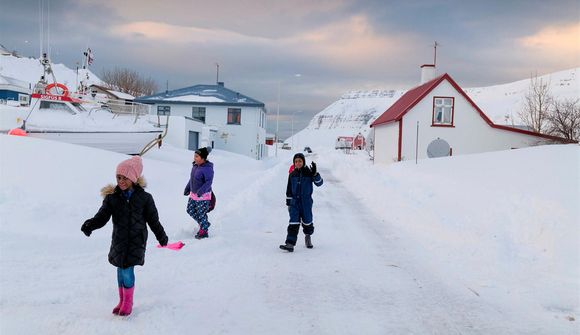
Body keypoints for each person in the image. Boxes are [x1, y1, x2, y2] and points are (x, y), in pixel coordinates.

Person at [81, 156, 168, 316]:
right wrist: (90, 225)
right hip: (119, 241)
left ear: (134, 178)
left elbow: (153, 220)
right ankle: (122, 300)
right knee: (120, 270)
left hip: (136, 241)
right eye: (118, 177)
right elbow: (102, 217)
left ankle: (128, 302)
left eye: (125, 178)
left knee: (127, 270)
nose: (121, 181)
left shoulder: (145, 198)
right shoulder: (112, 198)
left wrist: (161, 236)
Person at [280, 153, 323, 252]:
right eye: (296, 161)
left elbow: (319, 183)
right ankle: (290, 244)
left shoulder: (309, 173)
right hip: (295, 203)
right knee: (293, 223)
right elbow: (289, 189)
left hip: (306, 203)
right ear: (294, 163)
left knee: (307, 222)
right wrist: (289, 203)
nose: (298, 163)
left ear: (303, 162)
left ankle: (308, 236)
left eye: (300, 161)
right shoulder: (292, 175)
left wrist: (315, 174)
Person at [184, 146, 214, 239]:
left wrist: (201, 191)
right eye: (194, 156)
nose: (195, 158)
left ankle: (204, 231)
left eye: (197, 156)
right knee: (190, 210)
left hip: (203, 196)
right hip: (194, 194)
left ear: (203, 158)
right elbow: (192, 179)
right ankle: (204, 223)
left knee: (201, 213)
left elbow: (208, 182)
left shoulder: (207, 168)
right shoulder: (195, 167)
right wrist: (188, 188)